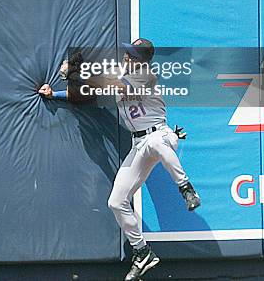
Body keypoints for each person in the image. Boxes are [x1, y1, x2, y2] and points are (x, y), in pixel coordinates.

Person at [38, 38, 201, 281]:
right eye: (127, 53)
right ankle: (142, 251)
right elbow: (88, 93)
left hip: (160, 134)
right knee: (116, 201)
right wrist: (56, 94)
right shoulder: (120, 72)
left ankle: (187, 189)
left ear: (142, 61)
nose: (127, 57)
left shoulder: (146, 75)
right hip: (138, 144)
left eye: (133, 55)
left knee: (156, 142)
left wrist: (77, 72)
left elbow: (115, 86)